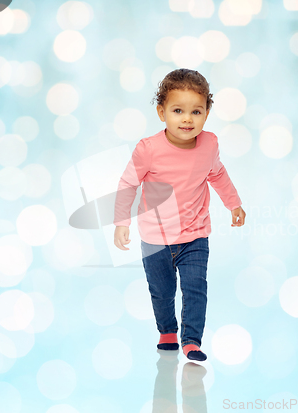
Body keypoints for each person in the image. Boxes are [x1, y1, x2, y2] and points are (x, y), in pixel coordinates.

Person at [113, 68, 246, 362]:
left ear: (207, 114)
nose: (187, 119)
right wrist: (122, 221)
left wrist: (233, 204)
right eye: (177, 110)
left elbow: (218, 175)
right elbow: (128, 184)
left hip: (195, 235)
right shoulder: (148, 149)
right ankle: (168, 332)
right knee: (162, 293)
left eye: (196, 111)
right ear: (162, 113)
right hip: (155, 239)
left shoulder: (209, 144)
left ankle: (192, 341)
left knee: (195, 288)